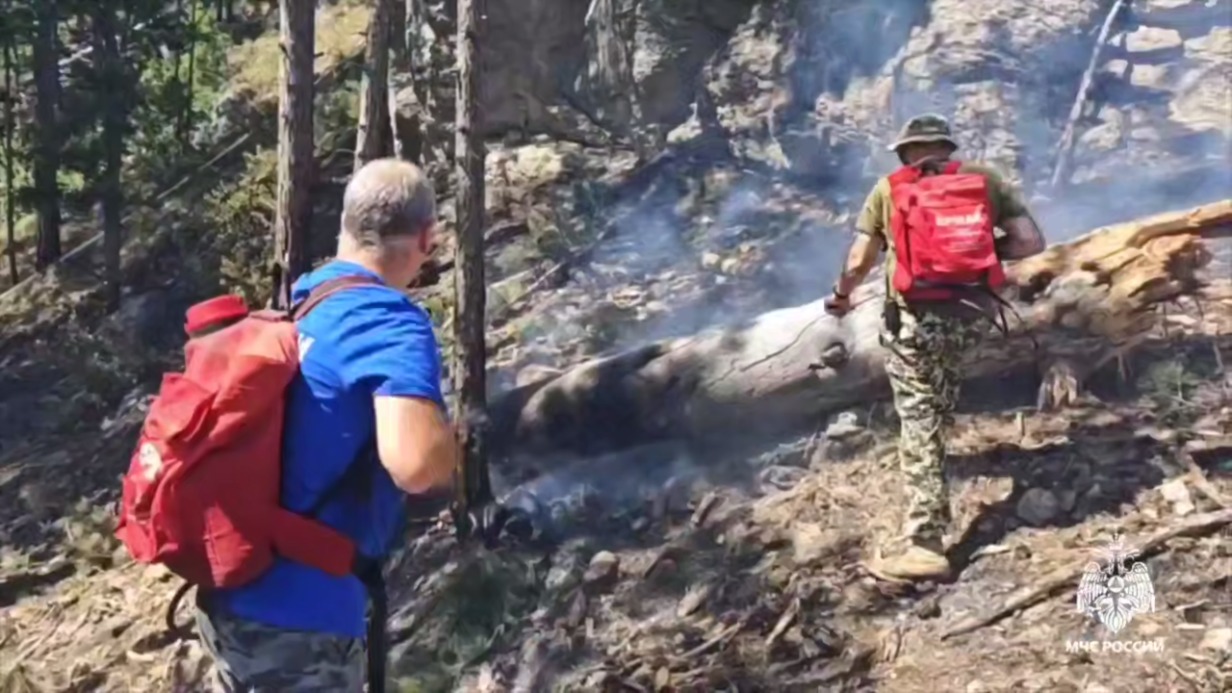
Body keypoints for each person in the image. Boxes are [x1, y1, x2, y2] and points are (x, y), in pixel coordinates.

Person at [195, 158, 460, 690]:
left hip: (231, 594)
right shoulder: (389, 323)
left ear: (346, 225)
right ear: (426, 237)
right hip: (300, 619)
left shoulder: (303, 300)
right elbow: (416, 468)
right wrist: (452, 442)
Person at [822, 114, 1046, 582]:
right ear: (946, 147)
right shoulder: (985, 180)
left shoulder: (890, 189)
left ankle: (925, 544)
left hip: (915, 322)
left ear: (906, 152)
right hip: (972, 317)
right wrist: (979, 255)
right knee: (938, 394)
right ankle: (937, 454)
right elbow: (1029, 242)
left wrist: (841, 296)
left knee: (919, 417)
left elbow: (860, 259)